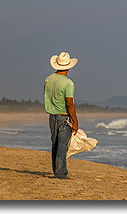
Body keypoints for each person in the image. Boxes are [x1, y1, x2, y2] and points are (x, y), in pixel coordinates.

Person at [43, 51, 79, 179]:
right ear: (68, 67)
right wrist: (75, 121)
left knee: (55, 144)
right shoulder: (68, 83)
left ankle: (57, 170)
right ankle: (61, 173)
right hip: (64, 117)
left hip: (52, 117)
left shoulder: (48, 79)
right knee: (62, 146)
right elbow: (69, 103)